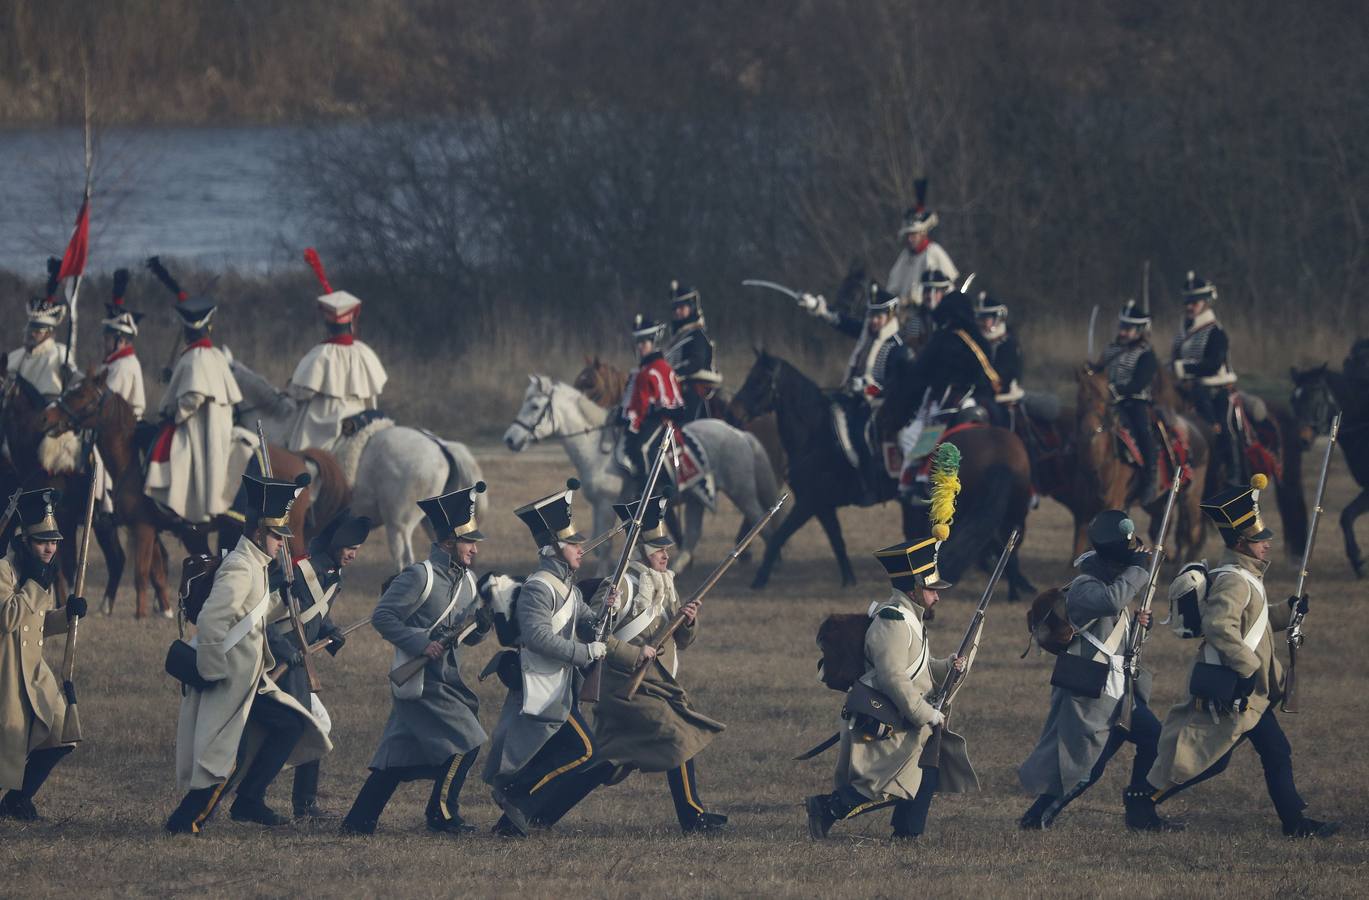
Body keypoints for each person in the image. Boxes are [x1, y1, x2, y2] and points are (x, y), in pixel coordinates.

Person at [1147, 478, 1339, 838]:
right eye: (1259, 539)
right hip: (1238, 686)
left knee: (1277, 752)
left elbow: (1257, 624)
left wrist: (1288, 611)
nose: (1267, 543)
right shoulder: (1235, 580)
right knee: (1208, 761)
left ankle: (1295, 824)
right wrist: (1249, 668)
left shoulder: (1247, 576)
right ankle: (1143, 799)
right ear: (1240, 543)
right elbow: (1220, 627)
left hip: (1252, 692)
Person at [166, 474, 331, 834]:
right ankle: (185, 822)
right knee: (223, 757)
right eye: (275, 536)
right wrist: (212, 672)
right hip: (227, 678)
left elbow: (249, 613)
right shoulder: (241, 567)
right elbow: (213, 619)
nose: (280, 544)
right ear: (258, 533)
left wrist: (278, 597)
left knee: (290, 726)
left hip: (250, 679)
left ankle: (249, 799)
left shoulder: (255, 566)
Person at [341, 484, 493, 836]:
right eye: (469, 541)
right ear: (448, 542)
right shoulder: (419, 576)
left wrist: (483, 627)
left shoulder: (467, 582)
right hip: (421, 680)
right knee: (468, 741)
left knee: (396, 759)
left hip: (444, 678)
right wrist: (421, 642)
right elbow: (383, 617)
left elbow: (464, 636)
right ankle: (441, 815)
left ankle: (358, 821)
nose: (475, 548)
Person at [805, 529, 970, 841]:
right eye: (931, 589)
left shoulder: (910, 617)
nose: (937, 595)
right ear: (913, 591)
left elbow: (917, 667)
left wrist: (947, 666)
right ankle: (826, 808)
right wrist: (926, 714)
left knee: (926, 772)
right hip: (886, 721)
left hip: (902, 716)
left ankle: (907, 834)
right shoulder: (893, 622)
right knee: (884, 784)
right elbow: (893, 677)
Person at [1018, 510, 1177, 831]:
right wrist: (1138, 570)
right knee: (1088, 769)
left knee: (1155, 740)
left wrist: (1139, 626)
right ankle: (1036, 818)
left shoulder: (1111, 583)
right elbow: (1110, 602)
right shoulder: (1085, 587)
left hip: (1120, 691)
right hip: (1094, 693)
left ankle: (1140, 812)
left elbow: (1117, 639)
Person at [483, 480, 617, 837]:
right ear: (554, 549)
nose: (580, 548)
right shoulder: (539, 586)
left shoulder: (568, 586)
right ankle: (517, 796)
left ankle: (512, 824)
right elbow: (537, 636)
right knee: (584, 750)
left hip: (561, 685)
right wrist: (583, 652)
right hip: (542, 683)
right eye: (573, 543)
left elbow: (589, 622)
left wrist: (606, 608)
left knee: (569, 754)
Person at [592, 494, 727, 834]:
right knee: (676, 734)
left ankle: (539, 809)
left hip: (654, 684)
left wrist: (689, 620)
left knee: (606, 765)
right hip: (622, 685)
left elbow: (683, 641)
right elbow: (595, 639)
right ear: (638, 552)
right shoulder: (619, 585)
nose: (666, 553)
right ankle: (692, 817)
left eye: (666, 547)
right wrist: (634, 654)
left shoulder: (665, 584)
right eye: (657, 549)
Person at [266, 507, 371, 821]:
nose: (353, 555)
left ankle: (304, 804)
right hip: (275, 662)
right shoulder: (296, 570)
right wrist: (285, 650)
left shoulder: (332, 575)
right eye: (349, 548)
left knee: (317, 725)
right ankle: (264, 795)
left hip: (296, 665)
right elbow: (261, 617)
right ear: (334, 546)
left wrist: (331, 632)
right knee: (303, 727)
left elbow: (314, 615)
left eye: (356, 549)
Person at [0, 489, 85, 821]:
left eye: (53, 540)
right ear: (24, 541)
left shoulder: (41, 572)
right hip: (7, 676)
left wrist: (68, 615)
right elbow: (9, 618)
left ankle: (17, 800)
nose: (49, 548)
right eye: (41, 541)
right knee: (6, 748)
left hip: (34, 675)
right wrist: (35, 584)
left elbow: (37, 625)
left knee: (63, 735)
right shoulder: (5, 571)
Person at [143, 258, 242, 524]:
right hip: (216, 425)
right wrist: (173, 376)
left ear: (187, 330)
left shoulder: (193, 358)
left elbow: (193, 396)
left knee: (171, 448)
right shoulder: (215, 356)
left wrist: (174, 414)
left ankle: (177, 511)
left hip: (200, 427)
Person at [799, 282, 913, 505]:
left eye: (879, 316)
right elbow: (842, 322)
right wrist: (818, 308)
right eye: (871, 315)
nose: (873, 320)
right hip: (854, 396)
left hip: (879, 406)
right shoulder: (867, 334)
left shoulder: (897, 347)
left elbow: (896, 386)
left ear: (890, 315)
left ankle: (870, 486)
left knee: (862, 435)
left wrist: (869, 387)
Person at [885, 290, 1001, 502]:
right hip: (975, 399)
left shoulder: (942, 339)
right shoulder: (977, 339)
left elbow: (920, 374)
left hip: (947, 398)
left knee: (912, 433)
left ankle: (915, 479)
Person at [283, 249, 388, 453]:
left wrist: (290, 388)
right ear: (351, 320)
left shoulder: (320, 354)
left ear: (326, 322)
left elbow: (302, 392)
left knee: (298, 454)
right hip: (360, 414)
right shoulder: (364, 352)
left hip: (324, 423)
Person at [1171, 271, 1241, 483]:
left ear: (1206, 303)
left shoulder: (1215, 331)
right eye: (1188, 302)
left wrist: (1182, 369)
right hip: (1189, 389)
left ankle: (1233, 474)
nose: (1190, 306)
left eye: (1195, 302)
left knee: (1224, 428)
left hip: (1216, 389)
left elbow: (1212, 365)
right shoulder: (1183, 331)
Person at [1098, 300, 1160, 503]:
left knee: (1142, 431)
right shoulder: (1110, 350)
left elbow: (1139, 383)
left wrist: (1116, 390)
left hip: (1134, 402)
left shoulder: (1146, 354)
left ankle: (1150, 477)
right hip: (1109, 403)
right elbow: (1100, 372)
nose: (1123, 332)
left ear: (1140, 330)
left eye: (1129, 328)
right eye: (1122, 326)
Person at [621, 315, 685, 495]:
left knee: (642, 448)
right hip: (651, 419)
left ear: (653, 343)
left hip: (664, 421)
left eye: (645, 342)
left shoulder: (659, 368)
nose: (641, 347)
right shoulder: (643, 371)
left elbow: (667, 402)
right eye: (639, 343)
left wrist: (633, 423)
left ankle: (647, 490)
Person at [6, 261, 75, 401]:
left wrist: (69, 374)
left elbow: (75, 380)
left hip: (47, 414)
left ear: (49, 333)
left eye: (38, 331)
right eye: (31, 329)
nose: (32, 334)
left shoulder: (60, 353)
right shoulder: (16, 356)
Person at [885, 178, 958, 306]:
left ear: (923, 233)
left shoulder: (933, 251)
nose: (910, 239)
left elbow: (947, 286)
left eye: (913, 234)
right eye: (908, 235)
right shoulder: (905, 256)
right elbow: (893, 287)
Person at [662, 281, 721, 421]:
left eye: (682, 307)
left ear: (691, 307)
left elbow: (696, 362)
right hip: (675, 388)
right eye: (675, 308)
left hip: (694, 391)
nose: (677, 312)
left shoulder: (697, 335)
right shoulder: (677, 336)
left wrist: (672, 373)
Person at [98, 268, 147, 419]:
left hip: (121, 427)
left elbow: (103, 399)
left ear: (121, 341)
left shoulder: (122, 366)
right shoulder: (116, 362)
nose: (104, 342)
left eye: (108, 338)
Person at [974, 291, 1024, 428]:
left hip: (1002, 397)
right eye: (980, 318)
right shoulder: (977, 342)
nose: (982, 322)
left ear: (998, 318)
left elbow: (1003, 376)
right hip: (978, 395)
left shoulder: (1009, 344)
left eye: (987, 318)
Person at [903, 268, 953, 351]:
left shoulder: (950, 319)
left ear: (943, 293)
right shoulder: (915, 319)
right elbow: (912, 349)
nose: (930, 296)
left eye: (935, 291)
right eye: (927, 291)